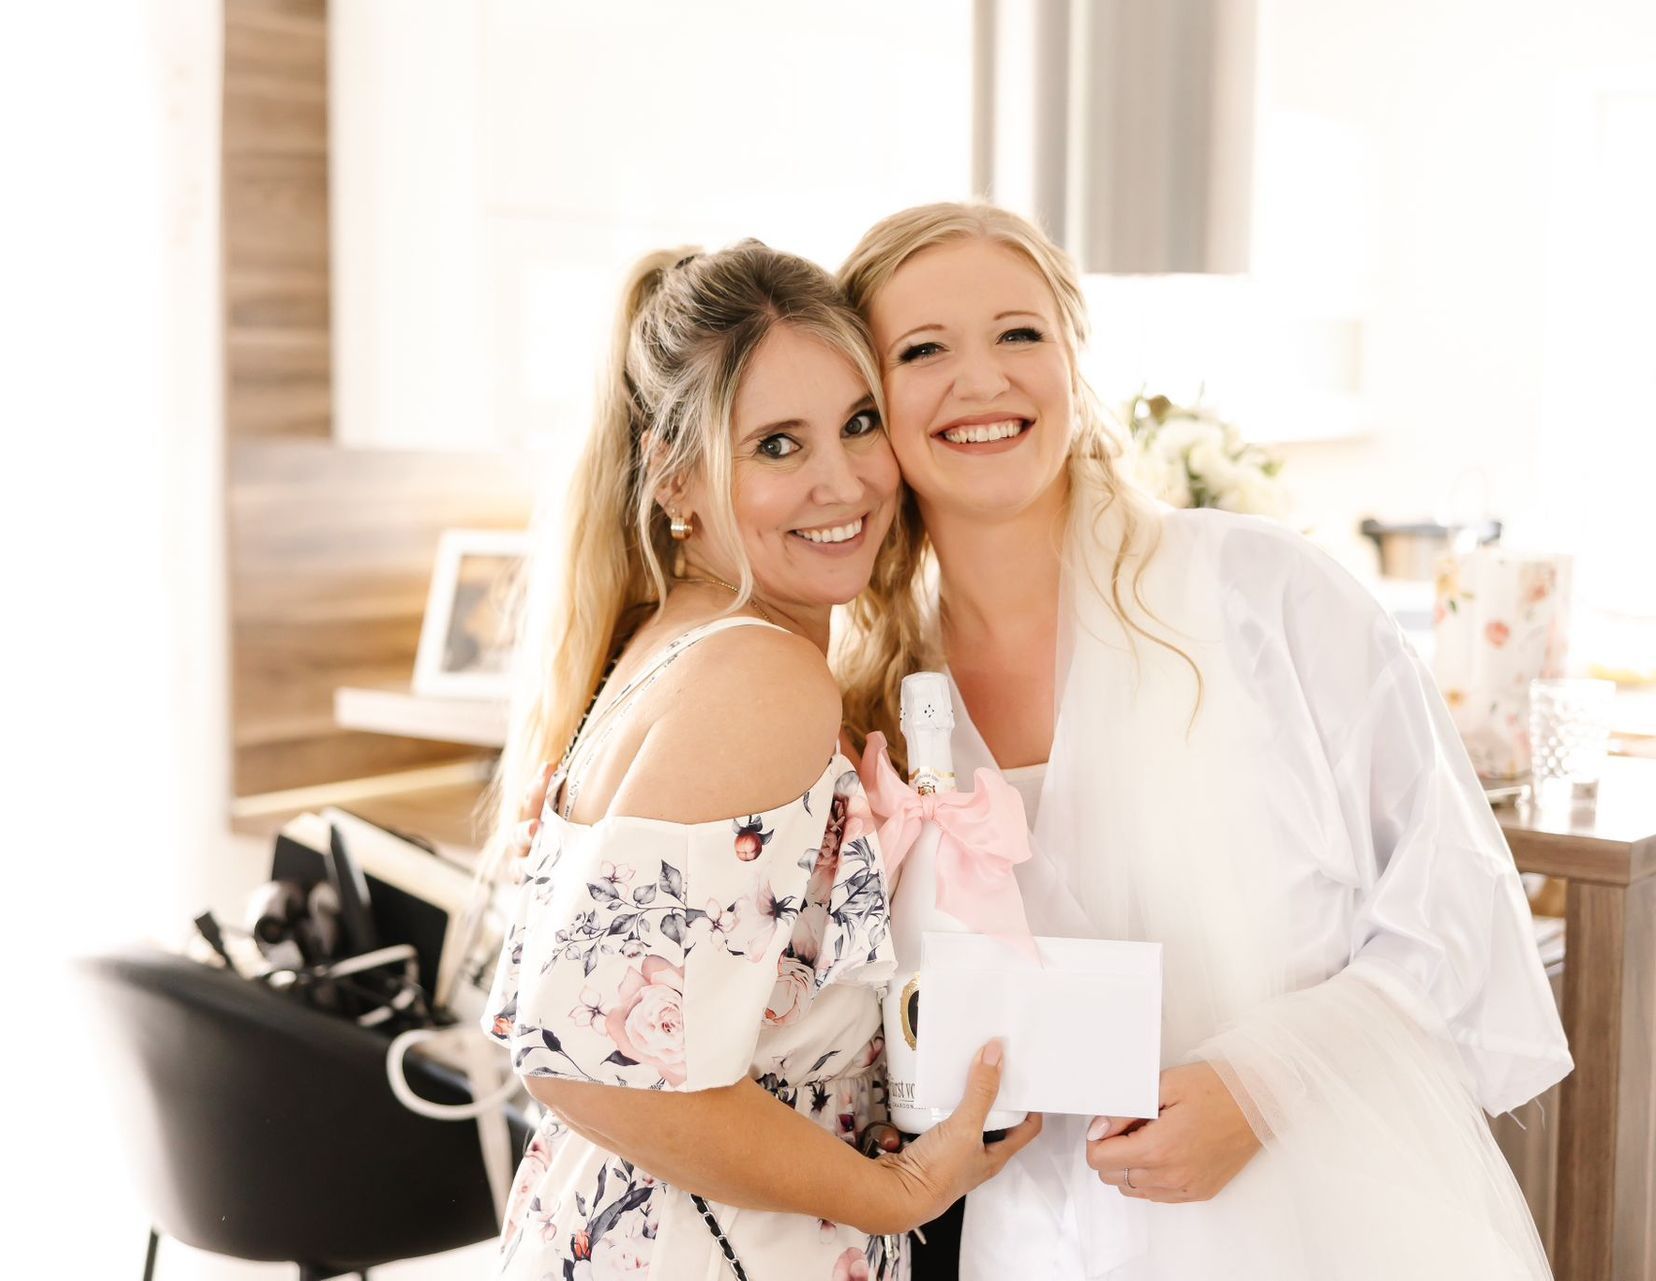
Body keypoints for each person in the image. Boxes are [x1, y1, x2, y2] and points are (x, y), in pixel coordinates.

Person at [833, 202, 1572, 1280]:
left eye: (1019, 333)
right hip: (1036, 1248)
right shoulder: (873, 701)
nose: (981, 379)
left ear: (1073, 360)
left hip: (1320, 1226)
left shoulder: (1264, 597)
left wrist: (1265, 1089)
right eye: (923, 350)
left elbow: (1460, 908)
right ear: (870, 404)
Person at [480, 240, 1041, 1281]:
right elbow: (585, 1068)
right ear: (676, 476)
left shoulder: (672, 643)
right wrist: (899, 1192)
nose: (843, 480)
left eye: (859, 423)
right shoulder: (760, 677)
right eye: (778, 445)